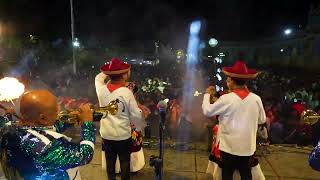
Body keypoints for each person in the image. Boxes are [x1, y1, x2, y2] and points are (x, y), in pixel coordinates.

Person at [0, 90, 95, 180]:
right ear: (42, 118)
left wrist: (69, 120)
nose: (59, 113)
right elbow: (84, 155)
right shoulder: (43, 147)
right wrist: (87, 124)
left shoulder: (10, 129)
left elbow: (46, 128)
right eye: (56, 111)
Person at [202, 60, 266, 180]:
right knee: (246, 174)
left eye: (227, 79)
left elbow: (207, 111)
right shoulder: (256, 99)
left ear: (231, 81)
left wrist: (206, 95)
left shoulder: (226, 98)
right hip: (248, 148)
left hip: (228, 148)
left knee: (227, 174)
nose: (227, 82)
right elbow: (262, 119)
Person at [95, 57, 145, 180]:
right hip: (123, 135)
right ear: (124, 75)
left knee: (110, 162)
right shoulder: (126, 92)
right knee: (125, 163)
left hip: (106, 134)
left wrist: (110, 69)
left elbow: (98, 78)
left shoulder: (101, 90)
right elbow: (136, 114)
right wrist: (139, 127)